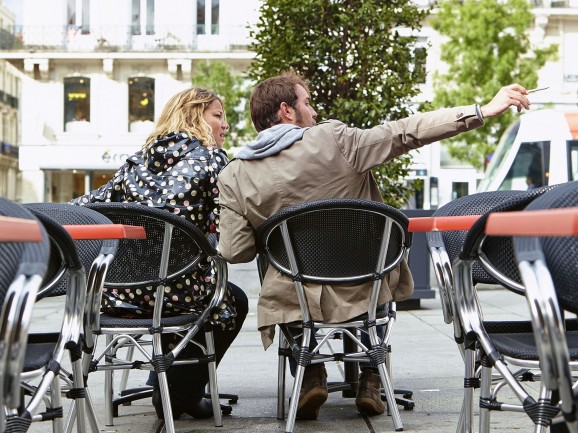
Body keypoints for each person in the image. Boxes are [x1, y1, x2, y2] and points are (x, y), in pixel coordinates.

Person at [217, 70, 531, 420]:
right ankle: (371, 376)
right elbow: (405, 132)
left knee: (278, 275)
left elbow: (235, 251)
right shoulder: (334, 139)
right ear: (286, 111)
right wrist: (481, 111)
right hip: (365, 281)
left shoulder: (234, 174)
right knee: (374, 279)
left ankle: (309, 374)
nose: (315, 112)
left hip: (297, 294)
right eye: (307, 103)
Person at [71, 87, 248, 420]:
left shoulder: (135, 163)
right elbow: (227, 226)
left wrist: (41, 214)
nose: (225, 125)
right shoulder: (212, 160)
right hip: (179, 292)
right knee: (231, 300)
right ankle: (181, 395)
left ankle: (165, 383)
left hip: (123, 293)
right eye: (218, 115)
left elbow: (87, 206)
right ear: (194, 115)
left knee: (193, 291)